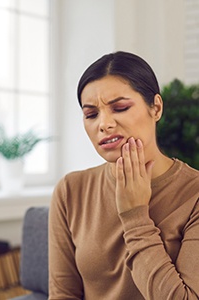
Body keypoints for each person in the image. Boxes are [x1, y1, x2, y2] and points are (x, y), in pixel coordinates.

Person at [49, 51, 199, 299]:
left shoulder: (193, 194)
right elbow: (62, 294)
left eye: (119, 108)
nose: (104, 124)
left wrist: (135, 217)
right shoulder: (70, 190)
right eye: (91, 114)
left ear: (156, 108)